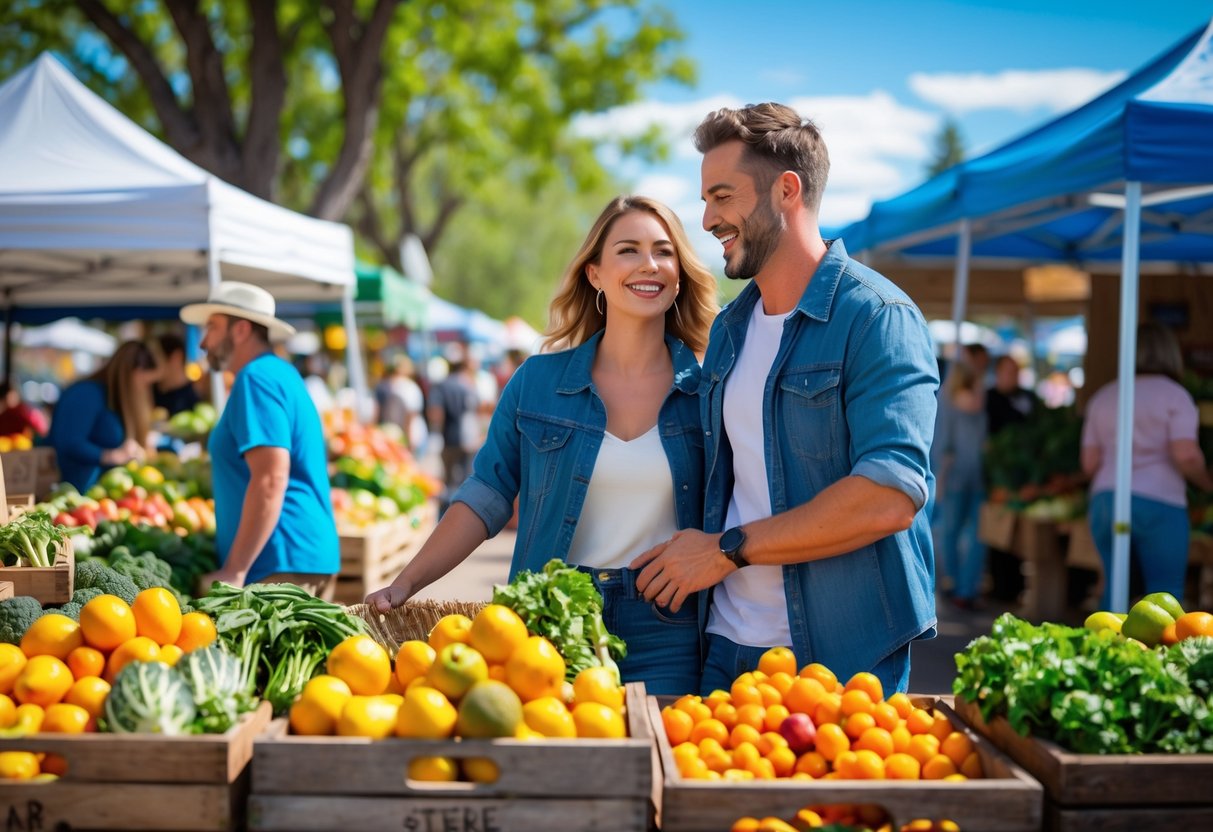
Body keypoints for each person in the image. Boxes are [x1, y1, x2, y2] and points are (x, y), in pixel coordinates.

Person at [630, 103, 939, 695]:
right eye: (704, 200)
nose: (707, 219)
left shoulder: (877, 318)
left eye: (722, 197)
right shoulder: (729, 329)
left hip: (838, 657)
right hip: (723, 644)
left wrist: (728, 550)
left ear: (787, 191)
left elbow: (889, 496)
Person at [366, 195, 719, 694]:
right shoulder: (537, 384)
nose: (650, 264)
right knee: (560, 769)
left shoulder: (708, 389)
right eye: (628, 250)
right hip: (552, 621)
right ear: (594, 273)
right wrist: (406, 582)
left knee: (653, 767)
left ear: (680, 274)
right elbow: (486, 495)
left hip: (669, 625)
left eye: (664, 252)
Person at [180, 282, 339, 599]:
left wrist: (235, 569)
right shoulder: (279, 372)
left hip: (279, 563)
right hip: (295, 557)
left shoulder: (256, 378)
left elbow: (271, 477)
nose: (203, 342)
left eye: (211, 327)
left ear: (240, 330)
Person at [1081, 322, 1213, 609]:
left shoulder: (1104, 396)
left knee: (1114, 590)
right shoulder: (1175, 395)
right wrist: (1207, 483)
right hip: (1159, 501)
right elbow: (1186, 455)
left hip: (1105, 499)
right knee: (1163, 598)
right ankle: (1160, 656)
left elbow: (1089, 463)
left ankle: (1104, 652)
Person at [46, 340, 159, 492]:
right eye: (146, 383)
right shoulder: (86, 393)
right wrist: (111, 455)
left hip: (98, 494)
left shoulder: (112, 398)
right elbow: (69, 442)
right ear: (135, 372)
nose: (146, 390)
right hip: (73, 492)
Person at [931, 354, 988, 610]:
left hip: (957, 474)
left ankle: (956, 584)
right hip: (968, 475)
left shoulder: (947, 399)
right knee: (972, 534)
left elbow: (943, 444)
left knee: (952, 533)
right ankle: (964, 587)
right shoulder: (973, 399)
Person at [984, 354, 1037, 602]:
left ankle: (1015, 586)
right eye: (1008, 371)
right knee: (998, 533)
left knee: (1018, 535)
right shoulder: (989, 398)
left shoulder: (1028, 397)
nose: (1013, 376)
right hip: (999, 475)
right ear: (998, 373)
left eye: (1016, 371)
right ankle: (1000, 587)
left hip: (1023, 474)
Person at [427, 343, 481, 503]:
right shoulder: (470, 384)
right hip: (471, 438)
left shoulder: (442, 385)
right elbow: (477, 409)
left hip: (450, 438)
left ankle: (448, 516)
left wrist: (436, 431)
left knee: (449, 483)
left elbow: (435, 412)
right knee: (467, 480)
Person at [374, 355, 427, 451]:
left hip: (394, 434)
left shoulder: (386, 386)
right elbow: (411, 414)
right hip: (403, 434)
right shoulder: (409, 387)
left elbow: (376, 413)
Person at [153, 332, 202, 417]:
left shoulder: (194, 401)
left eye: (157, 358)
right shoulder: (150, 394)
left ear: (176, 357)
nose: (152, 365)